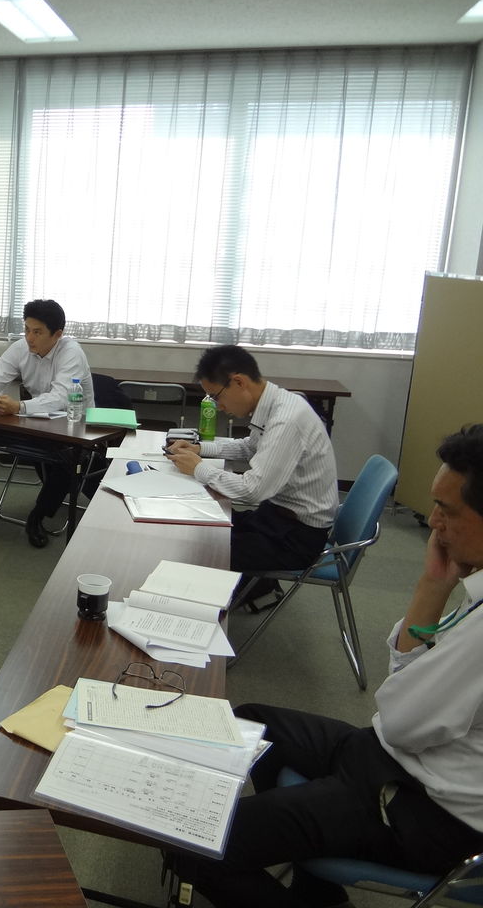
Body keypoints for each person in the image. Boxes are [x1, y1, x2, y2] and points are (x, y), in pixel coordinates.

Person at [173, 424, 483, 908]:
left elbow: (400, 720)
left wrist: (413, 664)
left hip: (426, 809)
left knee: (193, 843)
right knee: (250, 724)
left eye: (448, 510)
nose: (434, 522)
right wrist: (433, 585)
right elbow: (404, 700)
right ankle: (318, 885)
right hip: (395, 756)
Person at [165, 345, 337, 578]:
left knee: (200, 550)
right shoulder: (276, 403)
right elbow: (250, 447)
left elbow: (252, 490)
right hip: (274, 517)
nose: (218, 406)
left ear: (239, 382)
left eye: (216, 396)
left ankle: (235, 591)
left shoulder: (287, 420)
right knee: (201, 525)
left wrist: (198, 468)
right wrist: (200, 448)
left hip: (295, 537)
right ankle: (254, 587)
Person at [0, 299, 94, 549]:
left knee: (67, 455)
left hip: (74, 426)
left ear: (57, 334)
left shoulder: (71, 353)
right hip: (37, 420)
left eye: (37, 332)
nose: (29, 338)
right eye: (27, 329)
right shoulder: (21, 347)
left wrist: (19, 407)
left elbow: (60, 398)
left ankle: (38, 516)